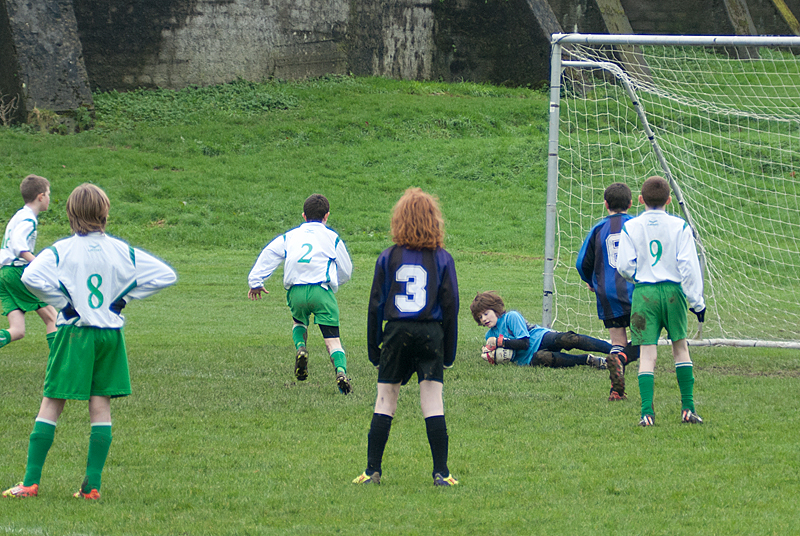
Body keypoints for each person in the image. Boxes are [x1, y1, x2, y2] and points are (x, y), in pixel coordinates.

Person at [2, 183, 177, 499]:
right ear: (105, 212)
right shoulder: (121, 250)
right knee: (100, 407)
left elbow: (30, 277)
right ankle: (91, 487)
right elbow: (166, 275)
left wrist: (63, 301)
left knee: (52, 402)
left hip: (75, 334)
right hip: (110, 336)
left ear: (70, 214)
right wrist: (122, 299)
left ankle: (29, 482)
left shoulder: (62, 249)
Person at [354, 188, 459, 487]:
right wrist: (448, 351)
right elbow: (451, 306)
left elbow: (375, 305)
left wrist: (376, 349)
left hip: (397, 332)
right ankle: (442, 473)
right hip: (431, 333)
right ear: (434, 221)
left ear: (399, 220)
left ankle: (372, 469)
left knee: (385, 400)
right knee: (432, 402)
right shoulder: (443, 258)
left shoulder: (387, 257)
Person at [617, 175, 705, 427]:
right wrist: (696, 302)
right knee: (680, 348)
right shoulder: (680, 226)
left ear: (641, 199)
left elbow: (623, 266)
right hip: (673, 292)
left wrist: (640, 277)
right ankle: (688, 409)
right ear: (669, 200)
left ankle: (647, 413)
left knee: (647, 353)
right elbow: (688, 266)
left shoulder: (631, 226)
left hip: (644, 294)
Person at [248, 193, 353, 394]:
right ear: (327, 216)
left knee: (299, 323)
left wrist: (256, 281)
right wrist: (335, 281)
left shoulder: (290, 236)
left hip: (296, 291)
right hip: (321, 291)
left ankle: (301, 347)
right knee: (333, 340)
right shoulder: (332, 237)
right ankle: (340, 372)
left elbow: (269, 253)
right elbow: (346, 270)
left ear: (303, 216)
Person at [576, 182, 640, 401]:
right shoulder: (637, 225)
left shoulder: (598, 229)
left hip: (607, 294)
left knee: (617, 341)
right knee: (644, 339)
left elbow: (581, 263)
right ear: (631, 203)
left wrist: (590, 281)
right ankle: (621, 359)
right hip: (636, 292)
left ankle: (616, 389)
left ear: (605, 205)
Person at [470, 291, 611, 369]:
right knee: (544, 358)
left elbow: (524, 343)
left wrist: (500, 342)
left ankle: (614, 350)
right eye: (480, 317)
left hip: (539, 338)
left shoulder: (510, 317)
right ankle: (588, 360)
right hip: (529, 359)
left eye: (486, 313)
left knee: (568, 339)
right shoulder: (490, 335)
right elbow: (504, 356)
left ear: (495, 309)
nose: (484, 319)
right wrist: (490, 356)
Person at [0, 175, 58, 353]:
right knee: (53, 319)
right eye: (48, 194)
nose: (49, 198)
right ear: (41, 197)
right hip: (17, 272)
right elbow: (18, 245)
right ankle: (60, 367)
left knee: (17, 331)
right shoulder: (28, 219)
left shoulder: (20, 215)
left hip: (4, 274)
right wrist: (37, 263)